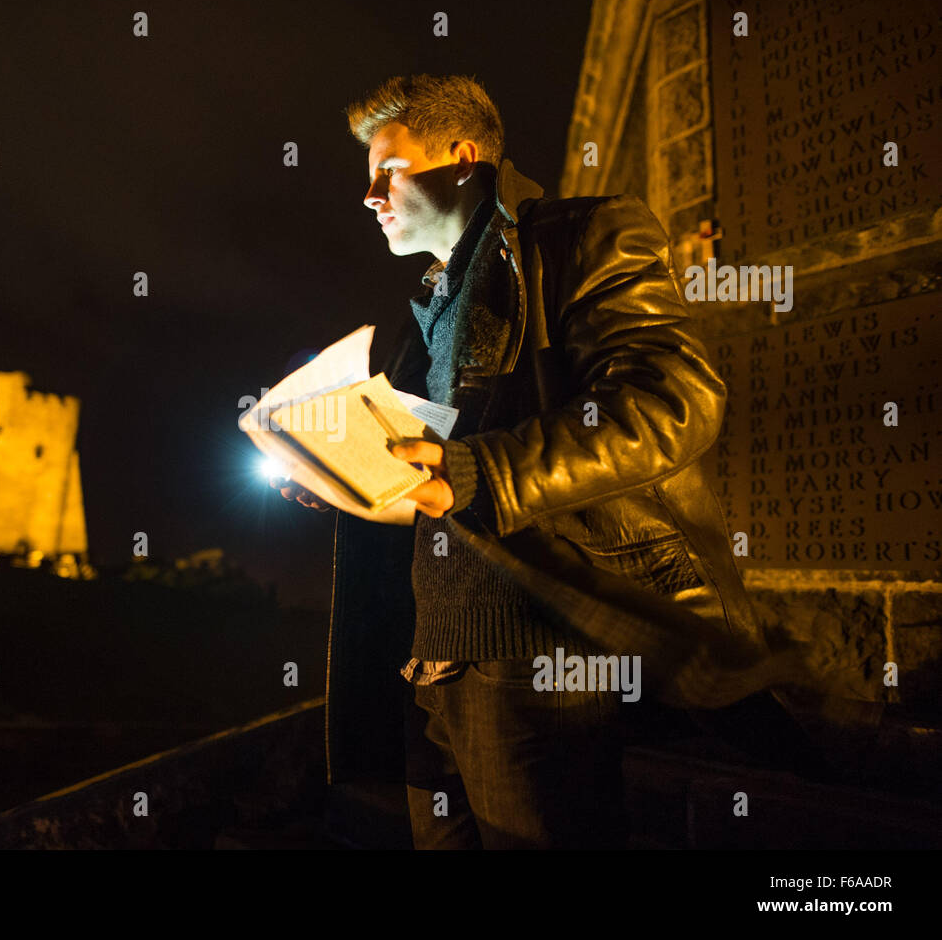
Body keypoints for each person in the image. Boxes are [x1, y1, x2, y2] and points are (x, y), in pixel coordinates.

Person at [273, 73, 818, 849]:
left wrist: (481, 473)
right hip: (432, 661)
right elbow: (427, 463)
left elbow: (673, 401)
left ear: (463, 159)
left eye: (387, 170)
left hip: (542, 658)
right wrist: (343, 475)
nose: (369, 194)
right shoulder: (424, 307)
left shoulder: (583, 236)